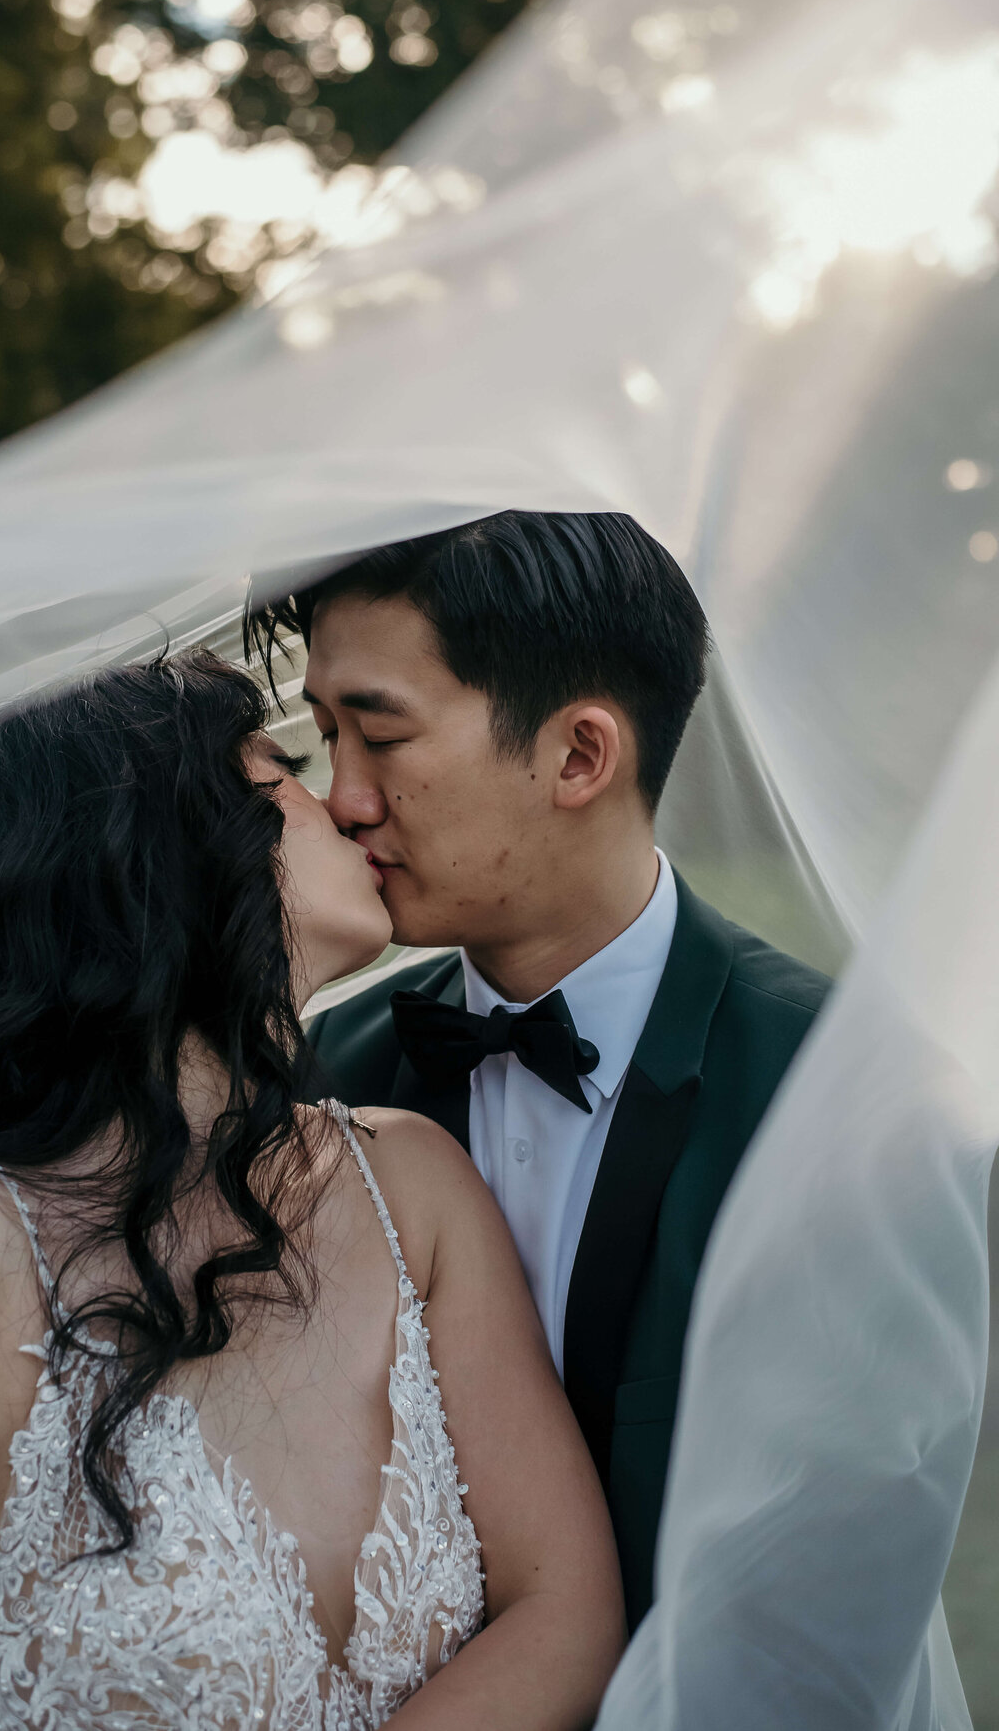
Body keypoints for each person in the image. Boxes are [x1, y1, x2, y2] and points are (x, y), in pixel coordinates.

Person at [0, 650, 623, 1731]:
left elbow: (565, 1608)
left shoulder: (409, 1183)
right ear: (166, 848)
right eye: (282, 772)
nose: (342, 803)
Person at [247, 509, 832, 1635]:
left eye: (382, 735)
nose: (343, 799)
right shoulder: (314, 1080)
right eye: (325, 739)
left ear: (579, 755)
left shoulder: (829, 1091)